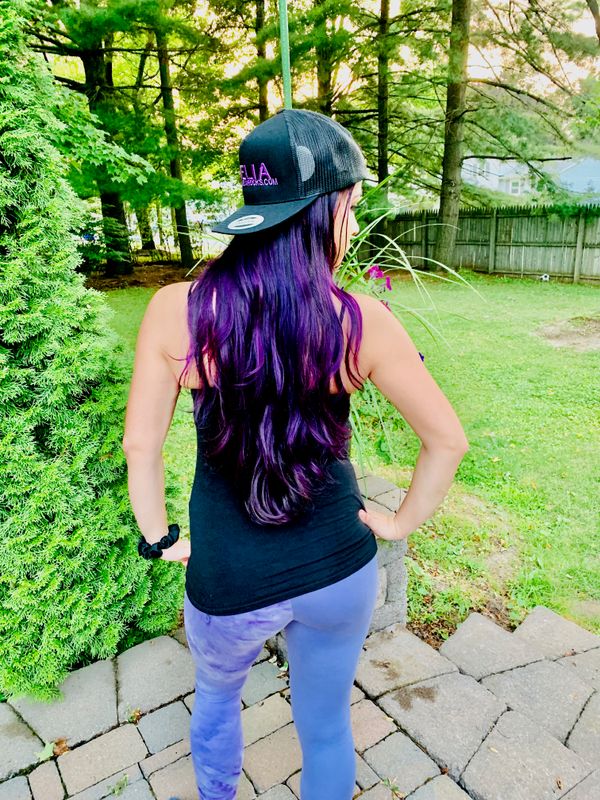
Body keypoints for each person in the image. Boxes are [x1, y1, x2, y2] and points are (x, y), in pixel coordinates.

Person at [122, 108, 469, 800]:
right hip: (338, 570)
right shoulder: (362, 322)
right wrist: (398, 522)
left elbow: (141, 444)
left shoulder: (176, 311)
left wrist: (159, 536)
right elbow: (447, 441)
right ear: (325, 211)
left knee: (216, 700)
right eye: (351, 207)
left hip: (227, 577)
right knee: (328, 726)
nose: (352, 223)